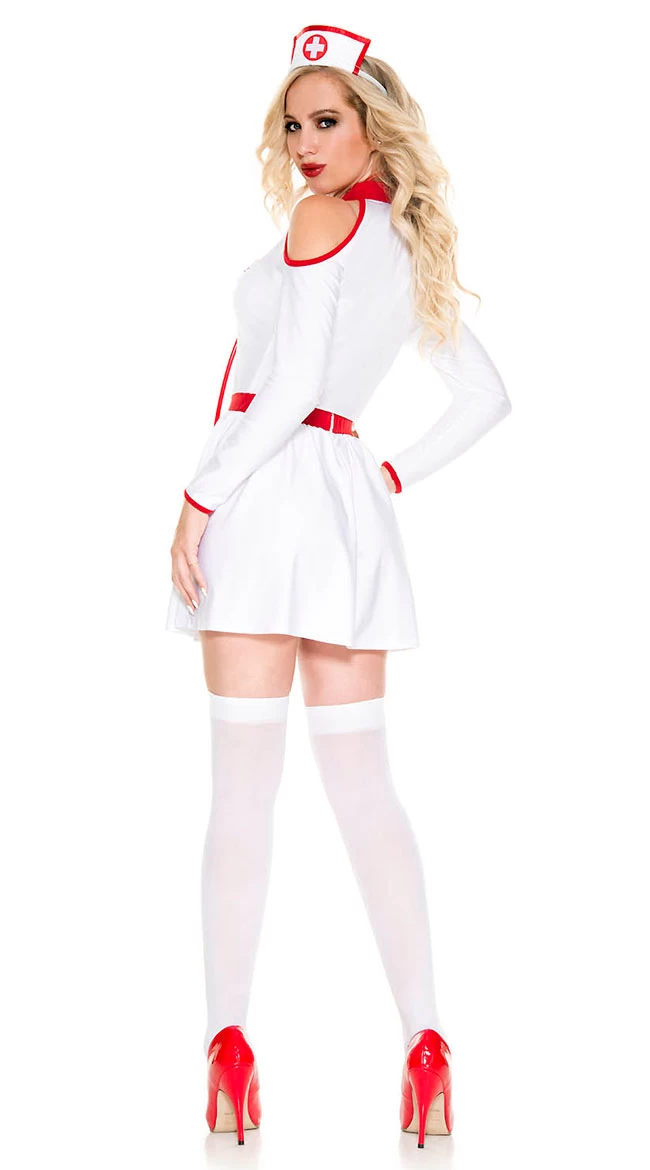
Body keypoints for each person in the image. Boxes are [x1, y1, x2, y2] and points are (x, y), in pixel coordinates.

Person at [166, 23, 511, 1147]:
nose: (306, 143)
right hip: (344, 512)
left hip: (264, 499)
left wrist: (199, 498)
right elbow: (484, 397)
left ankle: (226, 1046)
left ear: (372, 124)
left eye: (327, 119)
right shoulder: (403, 243)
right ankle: (426, 1045)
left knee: (242, 793)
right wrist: (386, 476)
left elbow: (284, 389)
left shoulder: (318, 222)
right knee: (365, 791)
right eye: (293, 124)